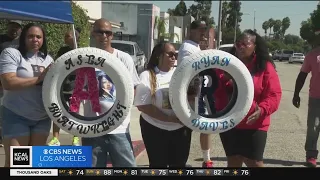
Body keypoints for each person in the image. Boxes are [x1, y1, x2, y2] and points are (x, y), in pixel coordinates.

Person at [214, 30, 281, 167]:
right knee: (234, 161)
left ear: (255, 46)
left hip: (254, 123)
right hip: (230, 122)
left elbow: (274, 95)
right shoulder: (227, 64)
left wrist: (262, 110)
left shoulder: (264, 67)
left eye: (245, 43)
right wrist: (224, 79)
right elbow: (215, 92)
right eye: (238, 43)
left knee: (255, 163)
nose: (241, 47)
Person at [81, 18, 140, 167]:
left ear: (112, 35)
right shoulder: (83, 59)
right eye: (100, 32)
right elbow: (79, 92)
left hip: (118, 127)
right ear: (93, 34)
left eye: (108, 32)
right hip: (92, 127)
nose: (104, 36)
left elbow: (132, 89)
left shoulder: (124, 58)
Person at [0, 23, 53, 167]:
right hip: (17, 115)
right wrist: (39, 79)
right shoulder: (11, 53)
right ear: (23, 37)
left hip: (42, 118)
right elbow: (8, 82)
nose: (35, 39)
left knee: (35, 164)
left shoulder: (48, 59)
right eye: (31, 36)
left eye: (38, 37)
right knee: (17, 164)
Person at [134, 42, 192, 167]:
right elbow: (143, 106)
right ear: (159, 56)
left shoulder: (181, 74)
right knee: (158, 165)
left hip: (180, 130)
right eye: (170, 54)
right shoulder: (147, 76)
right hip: (154, 128)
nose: (174, 57)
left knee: (179, 165)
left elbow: (191, 98)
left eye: (175, 55)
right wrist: (169, 119)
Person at [177, 20, 213, 168]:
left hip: (199, 93)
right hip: (191, 94)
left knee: (206, 127)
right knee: (187, 129)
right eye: (201, 29)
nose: (203, 32)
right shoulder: (187, 48)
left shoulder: (195, 46)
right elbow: (187, 73)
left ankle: (206, 160)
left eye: (205, 29)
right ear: (191, 30)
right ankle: (180, 162)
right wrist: (191, 95)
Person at [47, 29, 81, 146]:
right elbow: (57, 64)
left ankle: (76, 137)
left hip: (76, 87)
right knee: (58, 112)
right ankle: (56, 138)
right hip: (62, 86)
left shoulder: (81, 50)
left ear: (75, 38)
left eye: (67, 36)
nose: (65, 38)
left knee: (74, 113)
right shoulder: (63, 50)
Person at [292, 36, 320, 167]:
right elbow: (302, 75)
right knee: (313, 127)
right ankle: (311, 155)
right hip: (316, 98)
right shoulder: (313, 55)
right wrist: (296, 93)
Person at [0, 20, 22, 147]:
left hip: (16, 82)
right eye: (12, 26)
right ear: (7, 26)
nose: (14, 29)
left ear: (20, 29)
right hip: (1, 80)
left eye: (17, 27)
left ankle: (8, 136)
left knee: (10, 109)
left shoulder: (22, 42)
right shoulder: (1, 39)